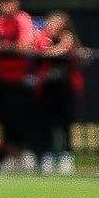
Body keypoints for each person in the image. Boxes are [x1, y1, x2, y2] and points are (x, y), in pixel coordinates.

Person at [0, 0, 35, 168]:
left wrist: (2, 48)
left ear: (16, 3)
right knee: (4, 120)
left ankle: (24, 156)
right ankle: (10, 157)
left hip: (20, 80)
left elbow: (24, 46)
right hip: (1, 79)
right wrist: (5, 48)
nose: (4, 7)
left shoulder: (22, 19)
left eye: (8, 3)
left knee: (20, 119)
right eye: (1, 3)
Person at [32, 12, 84, 174]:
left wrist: (62, 47)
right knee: (46, 123)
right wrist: (54, 50)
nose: (52, 26)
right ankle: (46, 158)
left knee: (65, 123)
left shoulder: (70, 38)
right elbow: (40, 51)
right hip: (46, 87)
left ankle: (66, 158)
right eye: (50, 22)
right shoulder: (41, 37)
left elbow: (70, 51)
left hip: (65, 87)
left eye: (57, 23)